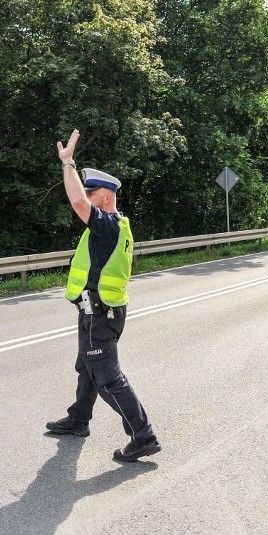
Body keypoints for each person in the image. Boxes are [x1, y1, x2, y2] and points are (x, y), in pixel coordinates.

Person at [46, 129, 160, 463]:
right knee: (88, 368)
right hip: (96, 311)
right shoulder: (112, 225)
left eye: (91, 191)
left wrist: (68, 164)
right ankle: (78, 420)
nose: (85, 196)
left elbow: (78, 201)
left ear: (106, 197)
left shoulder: (108, 225)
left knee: (107, 376)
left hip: (101, 314)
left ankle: (143, 436)